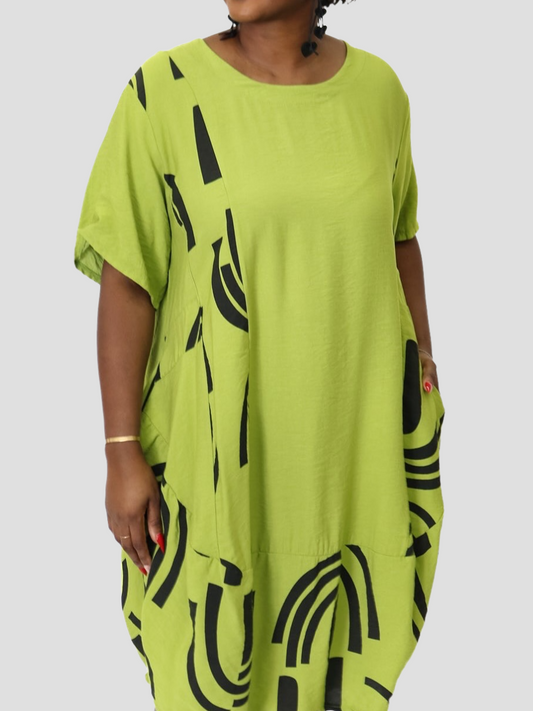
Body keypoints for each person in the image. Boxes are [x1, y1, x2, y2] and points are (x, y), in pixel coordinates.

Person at [74, 1, 445, 709]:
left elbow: (400, 237)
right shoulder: (165, 91)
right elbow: (128, 278)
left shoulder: (379, 92)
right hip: (218, 450)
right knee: (209, 650)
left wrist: (423, 359)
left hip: (352, 446)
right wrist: (121, 449)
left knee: (342, 654)